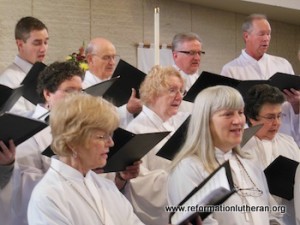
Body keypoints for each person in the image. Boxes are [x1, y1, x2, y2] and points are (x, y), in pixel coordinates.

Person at [168, 85, 283, 225]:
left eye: (240, 112)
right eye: (228, 114)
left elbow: (271, 214)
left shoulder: (250, 162)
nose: (238, 121)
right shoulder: (189, 168)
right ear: (205, 120)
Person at [27, 93, 144, 225]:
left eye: (110, 135)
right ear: (72, 142)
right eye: (101, 137)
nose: (111, 143)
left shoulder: (106, 186)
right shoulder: (48, 197)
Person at [220, 13, 300, 146]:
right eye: (261, 34)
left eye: (269, 34)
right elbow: (227, 110)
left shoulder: (283, 64)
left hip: (283, 134)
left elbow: (293, 107)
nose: (266, 39)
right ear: (246, 36)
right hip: (249, 139)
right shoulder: (230, 70)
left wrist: (296, 103)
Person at [125, 65, 190, 225]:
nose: (179, 96)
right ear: (153, 93)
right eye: (172, 90)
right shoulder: (136, 130)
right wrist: (183, 180)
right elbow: (138, 182)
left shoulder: (179, 123)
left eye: (181, 91)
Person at [243, 84, 300, 225]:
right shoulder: (240, 147)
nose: (277, 123)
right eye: (270, 117)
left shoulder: (289, 143)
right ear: (251, 118)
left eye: (279, 116)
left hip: (290, 216)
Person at [84, 37, 142, 128]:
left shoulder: (116, 83)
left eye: (113, 57)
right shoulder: (82, 88)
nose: (112, 62)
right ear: (90, 59)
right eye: (106, 57)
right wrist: (127, 110)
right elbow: (95, 120)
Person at [0, 16, 49, 114]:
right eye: (37, 43)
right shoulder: (8, 79)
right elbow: (18, 120)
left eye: (46, 42)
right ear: (20, 44)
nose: (43, 49)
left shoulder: (45, 73)